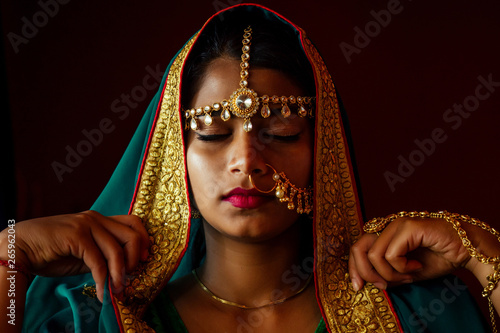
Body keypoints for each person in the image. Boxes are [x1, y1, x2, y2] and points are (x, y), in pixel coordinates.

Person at [0, 4, 498, 332]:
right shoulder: (91, 316)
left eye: (281, 134)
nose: (245, 160)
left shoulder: (410, 313)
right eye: (214, 134)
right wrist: (9, 253)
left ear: (322, 149)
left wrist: (481, 251)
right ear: (175, 153)